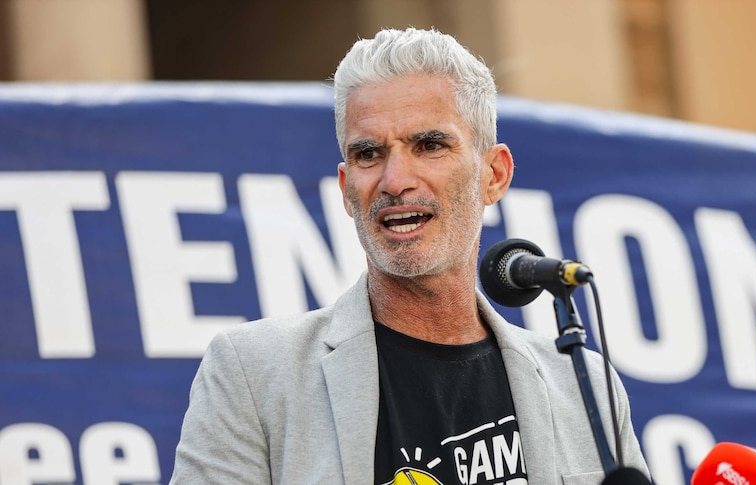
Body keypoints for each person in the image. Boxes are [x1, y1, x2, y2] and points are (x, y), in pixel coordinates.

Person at [169, 27, 650, 485]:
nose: (395, 179)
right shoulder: (254, 374)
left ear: (494, 174)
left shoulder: (584, 384)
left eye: (429, 145)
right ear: (345, 190)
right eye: (368, 154)